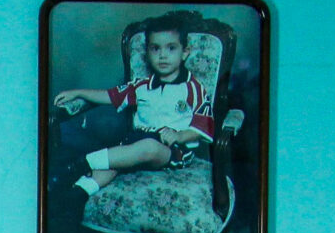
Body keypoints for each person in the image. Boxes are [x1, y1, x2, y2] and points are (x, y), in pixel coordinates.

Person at [49, 22, 220, 196]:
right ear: (147, 53)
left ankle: (79, 164)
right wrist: (78, 92)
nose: (162, 55)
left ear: (184, 53)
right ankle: (75, 197)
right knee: (110, 166)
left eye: (171, 48)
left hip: (171, 152)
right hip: (134, 144)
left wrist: (179, 135)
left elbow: (203, 126)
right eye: (155, 48)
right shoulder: (141, 86)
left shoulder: (193, 88)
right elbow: (109, 95)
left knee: (149, 147)